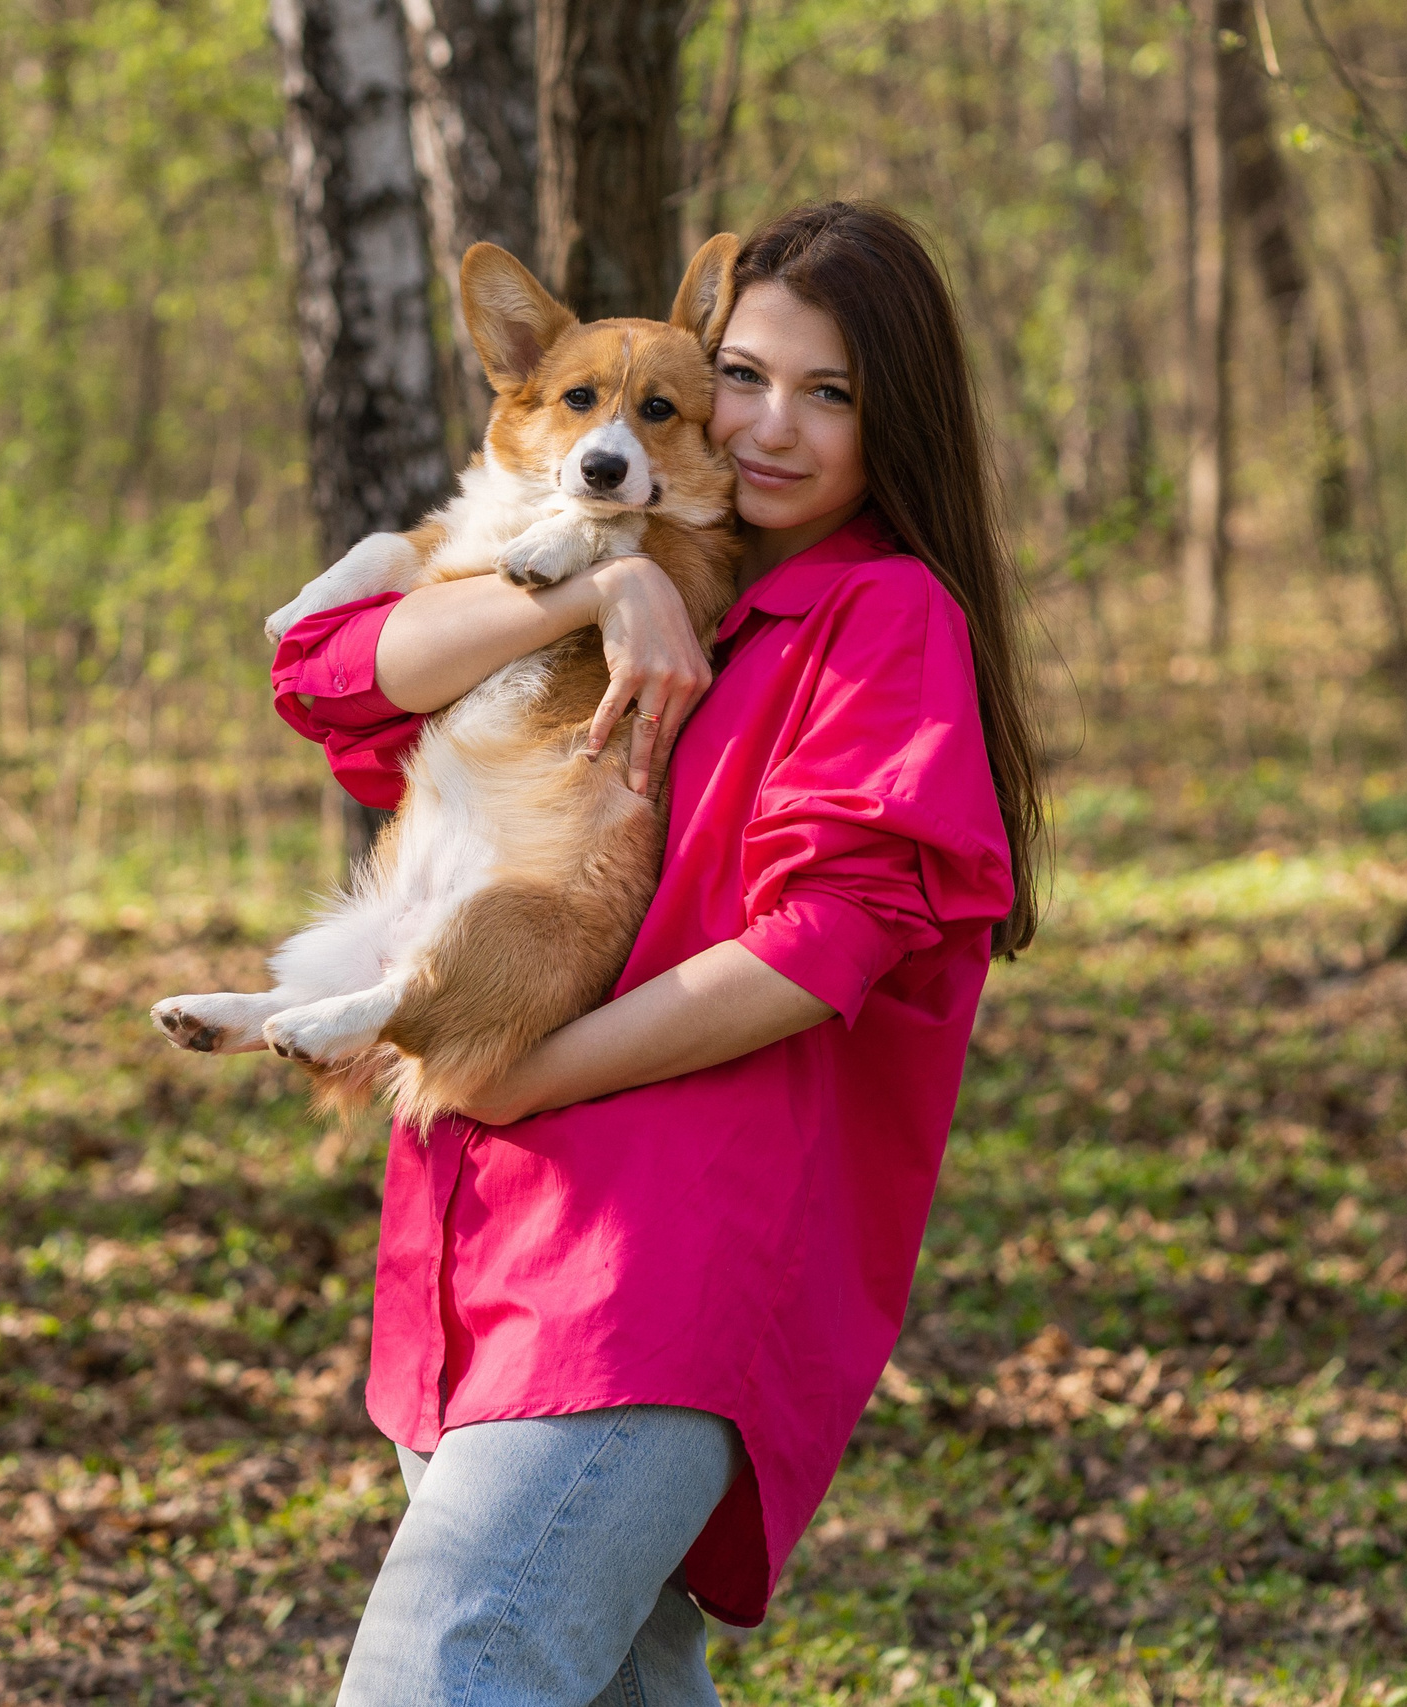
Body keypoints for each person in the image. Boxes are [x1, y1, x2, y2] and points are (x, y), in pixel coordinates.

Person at [268, 202, 1047, 1706]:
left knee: (447, 1672)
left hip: (652, 1271)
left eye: (833, 396)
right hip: (488, 1257)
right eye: (745, 374)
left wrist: (522, 1072)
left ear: (904, 424)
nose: (766, 426)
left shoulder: (882, 617)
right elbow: (325, 676)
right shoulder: (647, 574)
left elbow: (815, 951)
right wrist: (590, 581)